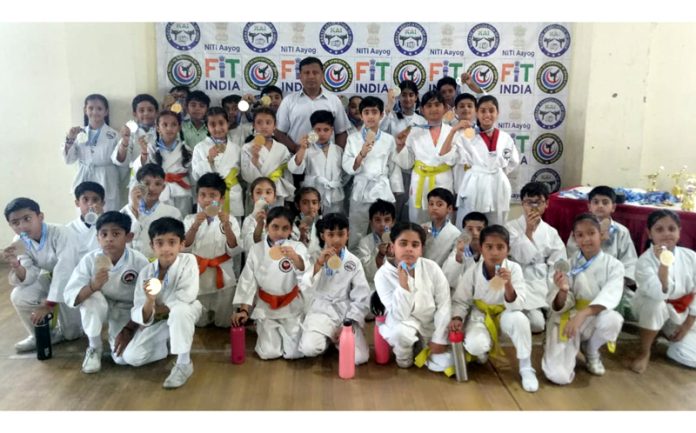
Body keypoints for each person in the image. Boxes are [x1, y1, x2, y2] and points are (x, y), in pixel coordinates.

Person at [450, 225, 538, 392]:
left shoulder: (514, 269)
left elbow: (518, 304)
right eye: (489, 247)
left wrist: (508, 284)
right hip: (481, 316)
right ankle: (483, 350)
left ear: (508, 249)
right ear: (481, 249)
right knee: (476, 345)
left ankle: (526, 368)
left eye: (500, 247)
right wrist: (457, 318)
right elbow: (461, 300)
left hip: (506, 313)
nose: (495, 252)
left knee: (520, 319)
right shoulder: (474, 270)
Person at [542, 213, 624, 385]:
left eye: (591, 233)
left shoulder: (614, 265)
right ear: (574, 238)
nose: (586, 239)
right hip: (568, 317)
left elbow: (610, 295)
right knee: (558, 376)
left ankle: (592, 351)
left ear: (601, 234)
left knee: (613, 319)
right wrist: (563, 290)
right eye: (580, 235)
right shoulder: (568, 265)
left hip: (594, 316)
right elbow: (556, 304)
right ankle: (563, 347)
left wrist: (583, 314)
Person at [121, 217, 202, 389]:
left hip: (186, 312)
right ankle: (169, 344)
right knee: (131, 357)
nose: (165, 248)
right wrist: (149, 300)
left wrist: (155, 310)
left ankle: (183, 363)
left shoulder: (189, 261)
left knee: (179, 310)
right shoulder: (146, 272)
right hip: (160, 320)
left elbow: (187, 296)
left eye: (172, 242)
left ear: (181, 244)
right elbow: (139, 309)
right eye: (159, 243)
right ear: (152, 246)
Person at [63, 211, 149, 373]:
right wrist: (93, 286)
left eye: (116, 234)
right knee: (91, 298)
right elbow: (71, 296)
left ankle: (119, 335)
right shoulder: (89, 260)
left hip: (127, 310)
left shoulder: (138, 261)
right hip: (101, 304)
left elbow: (146, 300)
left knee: (122, 359)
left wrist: (129, 329)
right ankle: (94, 347)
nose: (109, 239)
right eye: (104, 234)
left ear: (129, 237)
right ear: (98, 238)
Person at [3, 198, 82, 352]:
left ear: (40, 217)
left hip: (74, 281)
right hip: (49, 279)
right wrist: (15, 264)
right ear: (10, 225)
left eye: (27, 219)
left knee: (72, 334)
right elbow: (29, 276)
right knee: (19, 295)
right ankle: (38, 335)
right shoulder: (19, 241)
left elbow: (65, 270)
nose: (22, 226)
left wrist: (49, 304)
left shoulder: (61, 232)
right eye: (15, 223)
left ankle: (67, 325)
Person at [232, 207, 309, 360]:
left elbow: (305, 272)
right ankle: (263, 328)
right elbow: (248, 280)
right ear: (267, 227)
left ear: (290, 230)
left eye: (285, 228)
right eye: (275, 227)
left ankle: (291, 332)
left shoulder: (297, 247)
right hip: (266, 307)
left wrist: (295, 257)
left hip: (291, 306)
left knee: (294, 354)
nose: (280, 232)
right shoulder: (256, 249)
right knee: (268, 352)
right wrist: (244, 310)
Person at [374, 222, 452, 372]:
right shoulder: (382, 276)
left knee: (446, 363)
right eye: (403, 244)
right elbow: (400, 315)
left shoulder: (432, 267)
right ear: (392, 247)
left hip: (429, 324)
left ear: (421, 249)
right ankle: (404, 356)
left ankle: (422, 347)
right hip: (403, 323)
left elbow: (444, 304)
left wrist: (439, 338)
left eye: (415, 245)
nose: (409, 249)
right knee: (401, 333)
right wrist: (404, 286)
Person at [298, 213, 371, 363]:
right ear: (323, 235)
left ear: (348, 234)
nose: (336, 239)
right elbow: (303, 284)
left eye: (341, 234)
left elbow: (362, 296)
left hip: (345, 311)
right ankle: (327, 339)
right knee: (310, 348)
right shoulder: (313, 256)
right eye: (331, 234)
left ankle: (338, 337)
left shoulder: (353, 262)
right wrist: (318, 264)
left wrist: (349, 322)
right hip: (321, 310)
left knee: (359, 358)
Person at [631, 210, 696, 373]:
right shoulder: (644, 262)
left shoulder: (691, 257)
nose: (667, 234)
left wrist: (688, 324)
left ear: (679, 231)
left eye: (672, 229)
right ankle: (645, 351)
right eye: (659, 230)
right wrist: (664, 266)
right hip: (651, 308)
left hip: (683, 313)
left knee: (686, 353)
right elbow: (659, 294)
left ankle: (665, 334)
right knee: (656, 304)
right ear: (649, 233)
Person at [342, 96, 403, 249]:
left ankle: (384, 261)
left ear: (381, 115)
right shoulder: (353, 139)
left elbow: (393, 166)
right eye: (366, 112)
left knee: (384, 230)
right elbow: (347, 165)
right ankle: (357, 264)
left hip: (381, 188)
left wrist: (396, 190)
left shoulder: (389, 140)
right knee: (357, 229)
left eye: (374, 112)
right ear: (361, 115)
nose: (370, 116)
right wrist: (361, 154)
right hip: (361, 188)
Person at [506, 182, 567, 333]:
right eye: (528, 202)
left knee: (549, 320)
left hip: (542, 278)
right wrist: (528, 231)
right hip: (519, 277)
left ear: (546, 204)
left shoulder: (551, 232)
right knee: (536, 323)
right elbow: (521, 257)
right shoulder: (510, 226)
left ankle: (544, 308)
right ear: (522, 203)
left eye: (538, 202)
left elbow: (558, 261)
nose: (533, 207)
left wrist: (555, 286)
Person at [184, 173, 242, 327]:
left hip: (223, 276)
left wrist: (227, 226)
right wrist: (195, 226)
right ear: (197, 198)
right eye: (203, 195)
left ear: (222, 199)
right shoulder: (190, 219)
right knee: (199, 323)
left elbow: (234, 250)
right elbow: (185, 248)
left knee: (224, 323)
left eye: (213, 195)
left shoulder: (230, 220)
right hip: (199, 275)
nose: (208, 199)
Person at [455, 95, 520, 226]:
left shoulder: (505, 138)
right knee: (471, 219)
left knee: (496, 222)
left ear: (498, 113)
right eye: (483, 111)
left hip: (497, 182)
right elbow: (460, 156)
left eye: (491, 110)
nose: (487, 114)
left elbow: (512, 160)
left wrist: (498, 172)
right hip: (475, 182)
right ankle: (467, 246)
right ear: (477, 113)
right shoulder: (468, 135)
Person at [395, 91, 457, 224]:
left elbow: (452, 159)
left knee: (444, 220)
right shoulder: (414, 131)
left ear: (445, 108)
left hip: (443, 179)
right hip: (420, 181)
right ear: (422, 110)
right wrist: (400, 145)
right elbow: (406, 163)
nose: (433, 109)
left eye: (437, 105)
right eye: (429, 106)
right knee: (418, 220)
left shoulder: (452, 132)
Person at [566, 186, 638, 290]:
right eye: (595, 202)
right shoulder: (579, 229)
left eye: (605, 202)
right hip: (585, 278)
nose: (600, 206)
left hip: (613, 279)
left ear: (613, 207)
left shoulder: (621, 232)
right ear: (589, 206)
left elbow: (630, 262)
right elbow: (572, 256)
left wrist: (619, 280)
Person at [275, 56, 350, 152]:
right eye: (306, 73)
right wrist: (296, 149)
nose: (311, 76)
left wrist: (337, 155)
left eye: (315, 73)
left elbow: (341, 132)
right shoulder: (288, 101)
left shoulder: (334, 101)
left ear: (322, 76)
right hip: (296, 158)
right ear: (300, 76)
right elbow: (279, 133)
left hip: (326, 159)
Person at [62, 94, 121, 211]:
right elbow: (69, 160)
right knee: (85, 216)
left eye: (99, 109)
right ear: (85, 110)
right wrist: (70, 139)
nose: (95, 112)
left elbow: (121, 162)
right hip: (85, 177)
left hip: (106, 178)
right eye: (91, 108)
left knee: (107, 215)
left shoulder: (114, 135)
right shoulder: (77, 134)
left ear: (106, 111)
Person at [381, 80, 427, 222]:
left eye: (411, 95)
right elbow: (380, 132)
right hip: (396, 170)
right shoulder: (391, 117)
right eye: (404, 95)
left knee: (411, 211)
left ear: (416, 97)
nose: (407, 99)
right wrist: (389, 105)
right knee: (393, 209)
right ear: (399, 97)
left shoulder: (423, 121)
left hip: (416, 170)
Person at [288, 110, 346, 214]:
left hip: (334, 195)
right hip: (312, 193)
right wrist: (302, 148)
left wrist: (337, 183)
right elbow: (294, 169)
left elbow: (345, 174)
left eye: (326, 130)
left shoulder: (338, 150)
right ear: (312, 131)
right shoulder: (306, 149)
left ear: (332, 130)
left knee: (332, 223)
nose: (322, 133)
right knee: (312, 223)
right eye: (318, 130)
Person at [191, 107, 244, 221]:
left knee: (232, 226)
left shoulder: (236, 148)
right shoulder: (200, 147)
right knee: (208, 226)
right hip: (209, 195)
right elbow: (195, 175)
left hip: (231, 192)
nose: (218, 128)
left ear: (228, 123)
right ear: (207, 127)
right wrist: (209, 159)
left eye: (221, 123)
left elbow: (242, 174)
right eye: (212, 125)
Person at [121, 164, 182, 260]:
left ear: (163, 187)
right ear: (138, 185)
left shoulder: (173, 213)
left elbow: (177, 243)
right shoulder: (126, 211)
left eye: (157, 184)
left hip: (162, 262)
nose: (152, 188)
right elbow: (125, 240)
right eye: (146, 183)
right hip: (132, 263)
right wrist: (134, 208)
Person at [241, 107, 295, 207]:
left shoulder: (281, 148)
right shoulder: (247, 147)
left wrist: (288, 195)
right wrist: (255, 158)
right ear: (253, 125)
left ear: (274, 126)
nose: (264, 126)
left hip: (276, 192)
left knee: (275, 219)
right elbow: (246, 175)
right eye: (259, 122)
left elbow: (287, 174)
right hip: (255, 193)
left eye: (268, 122)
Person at [111, 94, 159, 188]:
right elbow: (121, 160)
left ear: (156, 112)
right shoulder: (131, 133)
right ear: (134, 114)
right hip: (138, 179)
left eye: (150, 110)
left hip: (159, 179)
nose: (146, 113)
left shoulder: (163, 131)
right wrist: (125, 140)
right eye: (141, 110)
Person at [356, 200, 395, 291]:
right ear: (371, 222)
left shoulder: (400, 240)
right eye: (377, 220)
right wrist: (379, 255)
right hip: (373, 286)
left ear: (393, 222)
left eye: (387, 220)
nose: (382, 224)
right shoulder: (365, 243)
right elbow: (367, 273)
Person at [442, 212, 487, 290]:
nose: (475, 233)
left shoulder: (492, 252)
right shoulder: (458, 252)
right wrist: (458, 257)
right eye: (470, 229)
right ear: (463, 230)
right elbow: (447, 280)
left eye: (479, 229)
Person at [422, 188, 460, 267]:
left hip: (441, 274)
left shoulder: (455, 234)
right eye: (431, 204)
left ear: (449, 209)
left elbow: (452, 263)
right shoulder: (422, 228)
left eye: (439, 204)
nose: (434, 208)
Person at [66, 181, 104, 260]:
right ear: (77, 203)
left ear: (102, 204)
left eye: (95, 199)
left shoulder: (110, 226)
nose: (90, 204)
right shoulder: (68, 230)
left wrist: (102, 218)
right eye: (85, 199)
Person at [240, 177, 276, 252]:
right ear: (252, 198)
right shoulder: (248, 220)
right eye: (258, 193)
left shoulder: (280, 218)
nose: (263, 196)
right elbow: (247, 246)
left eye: (268, 192)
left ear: (274, 197)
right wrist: (255, 216)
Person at [291, 187, 322, 264]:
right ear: (297, 205)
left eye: (314, 202)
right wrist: (302, 235)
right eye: (305, 203)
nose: (311, 206)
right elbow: (294, 251)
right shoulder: (292, 226)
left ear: (319, 205)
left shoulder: (325, 224)